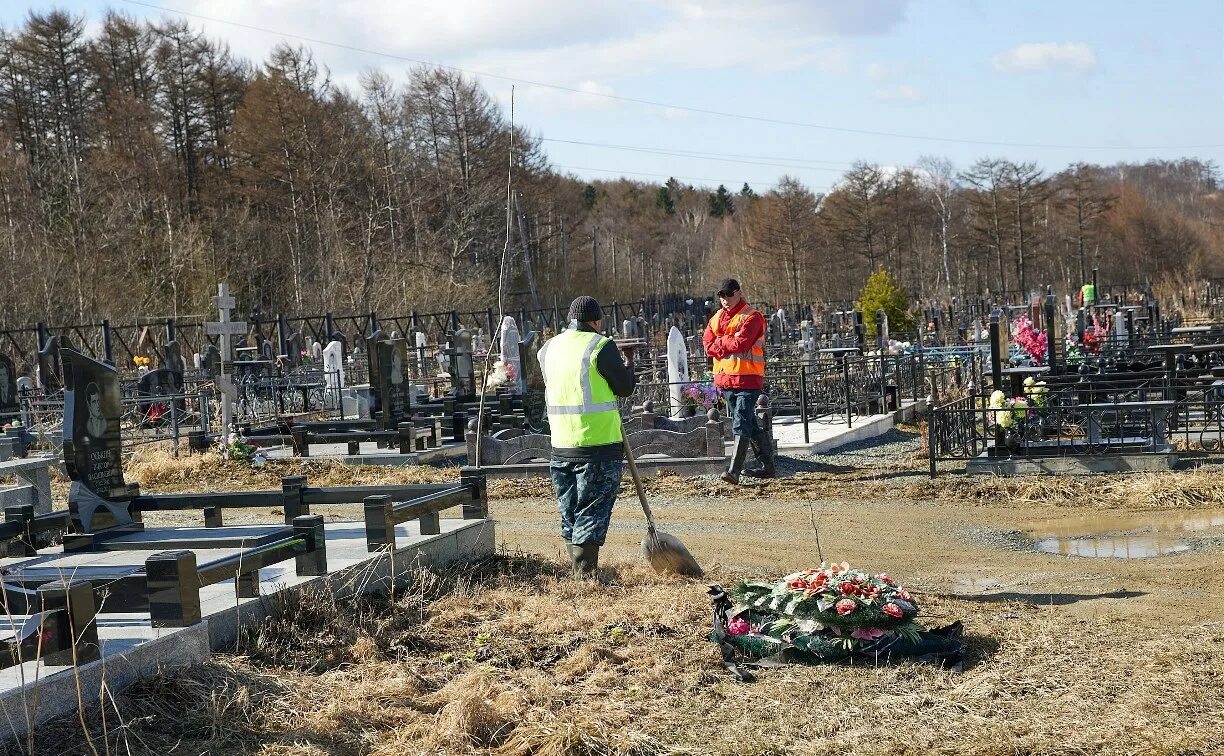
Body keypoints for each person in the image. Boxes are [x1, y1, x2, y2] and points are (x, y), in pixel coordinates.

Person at [538, 296, 636, 577]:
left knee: (569, 510)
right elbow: (624, 387)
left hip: (561, 443)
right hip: (598, 444)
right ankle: (585, 575)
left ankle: (578, 571)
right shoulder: (600, 346)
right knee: (592, 509)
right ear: (596, 321)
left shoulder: (548, 349)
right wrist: (629, 362)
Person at [703, 278, 774, 483]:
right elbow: (708, 346)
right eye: (722, 296)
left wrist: (721, 341)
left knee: (741, 420)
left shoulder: (752, 317)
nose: (725, 299)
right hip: (726, 380)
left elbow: (741, 344)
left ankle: (734, 471)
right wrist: (727, 341)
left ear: (739, 293)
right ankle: (767, 465)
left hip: (748, 379)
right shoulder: (716, 318)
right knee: (749, 422)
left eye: (729, 294)